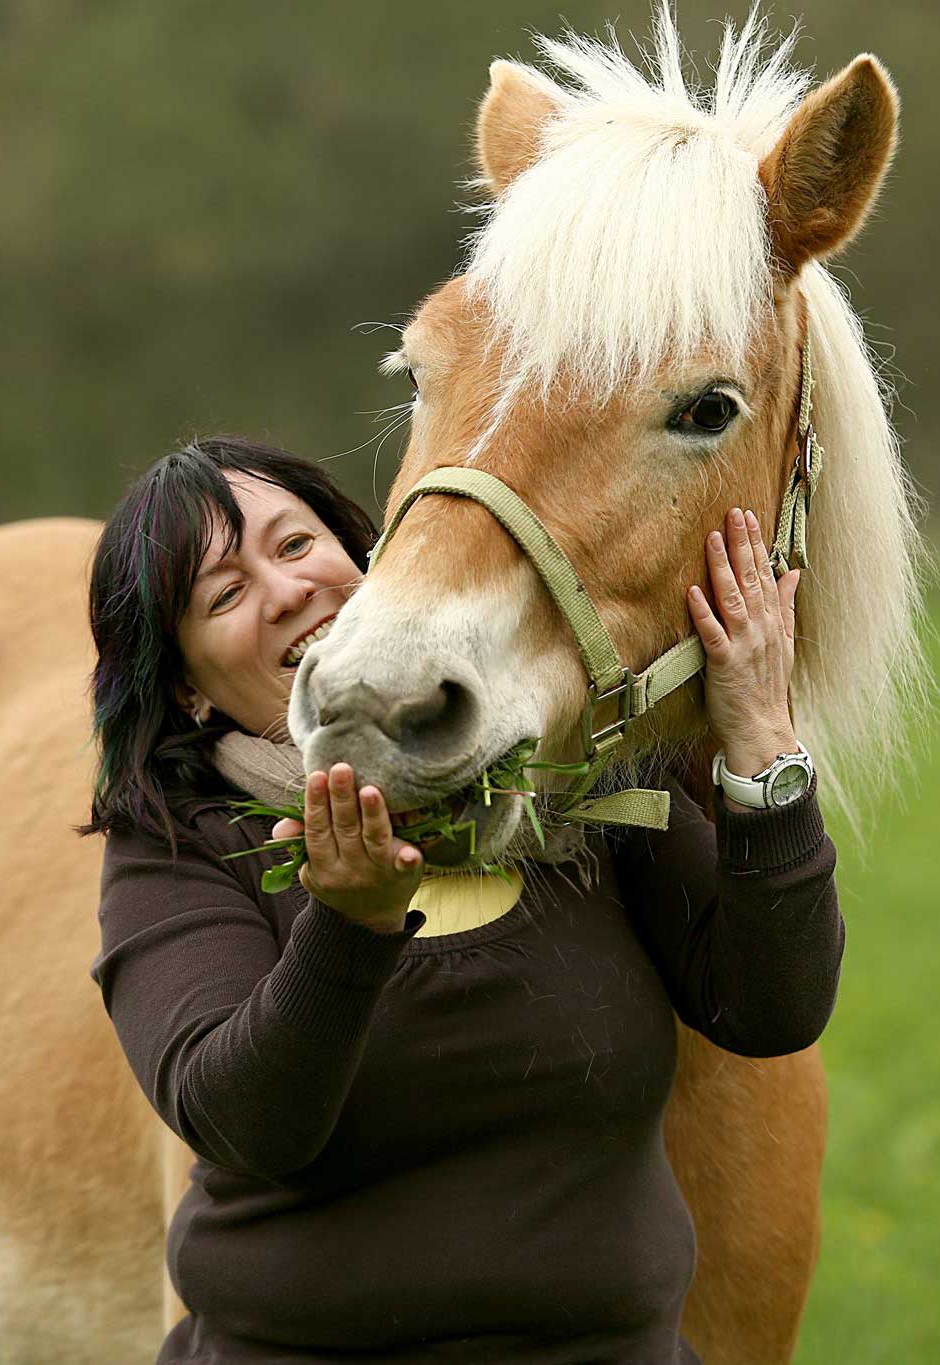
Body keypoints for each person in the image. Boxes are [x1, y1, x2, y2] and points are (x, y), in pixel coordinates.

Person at [82, 434, 842, 1364]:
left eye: (295, 544)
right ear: (187, 688)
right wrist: (350, 923)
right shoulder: (177, 850)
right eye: (226, 594)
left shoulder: (571, 774)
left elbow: (772, 1005)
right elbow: (246, 1122)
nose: (286, 591)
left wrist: (760, 736)